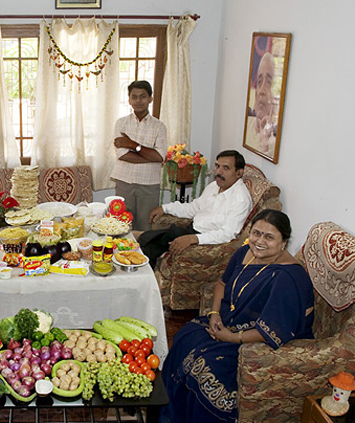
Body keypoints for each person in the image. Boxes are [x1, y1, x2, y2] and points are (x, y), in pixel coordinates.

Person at [159, 209, 315, 423]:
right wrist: (214, 314)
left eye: (269, 237)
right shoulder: (245, 253)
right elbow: (222, 284)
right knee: (186, 336)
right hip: (229, 323)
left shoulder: (288, 277)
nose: (260, 241)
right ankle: (167, 409)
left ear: (283, 243)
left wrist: (231, 338)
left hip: (262, 341)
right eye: (256, 233)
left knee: (205, 367)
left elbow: (275, 329)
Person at [138, 150, 252, 268]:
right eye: (217, 166)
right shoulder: (215, 186)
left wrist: (194, 239)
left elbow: (228, 234)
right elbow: (194, 207)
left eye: (226, 168)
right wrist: (164, 208)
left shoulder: (240, 199)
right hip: (192, 229)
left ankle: (142, 279)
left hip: (206, 241)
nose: (219, 172)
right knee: (147, 241)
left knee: (147, 244)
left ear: (239, 173)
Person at [110, 80, 168, 232]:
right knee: (122, 225)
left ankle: (143, 256)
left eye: (142, 96)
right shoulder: (121, 123)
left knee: (145, 226)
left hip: (149, 184)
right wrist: (149, 154)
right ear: (129, 100)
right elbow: (123, 155)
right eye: (134, 97)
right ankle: (121, 255)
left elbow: (160, 156)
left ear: (150, 98)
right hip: (124, 182)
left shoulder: (159, 126)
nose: (138, 101)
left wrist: (131, 144)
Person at [245, 52, 277, 157]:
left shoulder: (274, 140)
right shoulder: (248, 125)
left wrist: (265, 147)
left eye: (268, 82)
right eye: (259, 82)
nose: (262, 91)